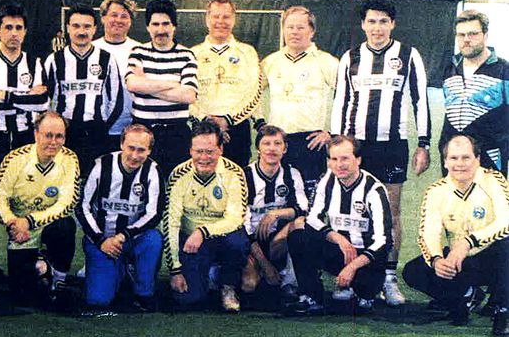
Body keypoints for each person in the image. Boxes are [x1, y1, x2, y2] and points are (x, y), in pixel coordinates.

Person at [331, 0, 430, 305]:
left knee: (390, 210)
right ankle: (355, 277)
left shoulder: (408, 55)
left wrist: (423, 143)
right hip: (357, 146)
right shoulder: (350, 57)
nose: (377, 27)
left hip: (392, 145)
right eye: (371, 21)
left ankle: (388, 277)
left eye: (383, 21)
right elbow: (341, 101)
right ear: (363, 25)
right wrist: (337, 143)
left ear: (392, 24)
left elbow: (420, 100)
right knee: (352, 210)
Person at [403, 134, 509, 337]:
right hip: (460, 262)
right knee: (413, 271)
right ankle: (465, 296)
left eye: (466, 157)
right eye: (453, 158)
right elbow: (429, 232)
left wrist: (468, 243)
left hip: (491, 257)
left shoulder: (493, 180)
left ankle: (503, 311)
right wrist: (436, 259)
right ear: (445, 162)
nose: (460, 164)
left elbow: (506, 221)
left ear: (477, 159)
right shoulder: (436, 191)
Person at [0, 4, 48, 281]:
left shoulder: (35, 63)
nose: (13, 33)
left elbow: (42, 102)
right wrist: (25, 96)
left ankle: (25, 263)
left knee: (25, 200)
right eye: (8, 28)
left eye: (18, 28)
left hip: (25, 140)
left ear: (25, 32)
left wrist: (7, 95)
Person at [284, 136, 392, 315]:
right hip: (340, 250)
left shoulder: (374, 190)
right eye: (334, 159)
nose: (339, 165)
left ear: (358, 160)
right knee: (298, 236)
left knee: (365, 293)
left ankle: (365, 294)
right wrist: (339, 239)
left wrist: (352, 267)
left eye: (345, 158)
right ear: (328, 162)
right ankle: (312, 296)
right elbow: (312, 218)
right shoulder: (327, 181)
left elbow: (384, 240)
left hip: (365, 258)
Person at [0, 112, 80, 307]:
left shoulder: (69, 159)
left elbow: (67, 203)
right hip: (21, 232)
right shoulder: (15, 158)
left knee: (65, 225)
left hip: (48, 225)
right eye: (48, 135)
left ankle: (58, 278)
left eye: (59, 136)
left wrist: (30, 221)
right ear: (36, 134)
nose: (54, 142)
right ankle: (42, 266)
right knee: (23, 296)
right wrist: (12, 223)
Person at [162, 119, 249, 312]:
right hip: (191, 242)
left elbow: (236, 218)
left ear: (221, 149)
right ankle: (209, 273)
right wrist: (175, 270)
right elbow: (171, 223)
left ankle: (228, 286)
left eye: (210, 151)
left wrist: (203, 231)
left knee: (238, 242)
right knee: (189, 299)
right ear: (190, 150)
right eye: (198, 151)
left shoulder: (234, 173)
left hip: (223, 236)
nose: (203, 158)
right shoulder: (179, 175)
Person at [76, 124, 163, 314]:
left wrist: (123, 236)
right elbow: (82, 207)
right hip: (101, 240)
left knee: (153, 239)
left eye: (141, 150)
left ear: (149, 150)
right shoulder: (101, 165)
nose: (134, 155)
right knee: (98, 300)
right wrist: (100, 240)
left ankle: (142, 290)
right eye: (131, 148)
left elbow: (154, 214)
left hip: (131, 239)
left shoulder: (152, 170)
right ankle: (118, 269)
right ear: (122, 144)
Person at [259, 6, 338, 200]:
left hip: (311, 143)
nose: (294, 32)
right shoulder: (271, 62)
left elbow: (348, 96)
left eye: (301, 27)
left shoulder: (326, 62)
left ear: (312, 31)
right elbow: (250, 93)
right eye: (290, 27)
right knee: (280, 199)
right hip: (279, 142)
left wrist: (332, 131)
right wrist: (259, 122)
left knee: (312, 201)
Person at [45, 4, 123, 174]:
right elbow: (46, 100)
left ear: (95, 29)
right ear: (68, 28)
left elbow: (117, 99)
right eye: (76, 26)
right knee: (64, 177)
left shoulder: (106, 58)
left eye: (87, 26)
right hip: (65, 132)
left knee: (95, 178)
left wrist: (103, 126)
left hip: (96, 131)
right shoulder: (54, 60)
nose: (81, 31)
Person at [125, 0, 198, 179]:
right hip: (143, 132)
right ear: (148, 27)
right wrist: (173, 84)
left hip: (176, 134)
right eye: (155, 24)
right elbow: (133, 84)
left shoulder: (187, 55)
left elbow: (189, 95)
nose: (160, 30)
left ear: (174, 26)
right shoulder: (138, 52)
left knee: (174, 182)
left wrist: (146, 84)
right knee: (142, 182)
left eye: (166, 24)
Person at [189, 0, 263, 168]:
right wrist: (205, 120)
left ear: (234, 19)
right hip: (201, 129)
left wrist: (228, 120)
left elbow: (255, 92)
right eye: (216, 16)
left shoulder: (247, 52)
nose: (220, 22)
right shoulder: (192, 54)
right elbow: (187, 95)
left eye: (226, 17)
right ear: (207, 19)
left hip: (237, 129)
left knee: (237, 179)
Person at [241, 125, 308, 301]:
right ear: (258, 148)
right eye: (266, 143)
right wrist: (265, 265)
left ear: (285, 149)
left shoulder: (292, 174)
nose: (272, 149)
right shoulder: (244, 176)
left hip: (277, 241)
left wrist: (275, 214)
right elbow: (241, 226)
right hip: (251, 242)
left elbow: (303, 208)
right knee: (248, 286)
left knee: (300, 223)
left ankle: (289, 281)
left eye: (277, 143)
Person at [440, 10, 508, 176]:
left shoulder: (504, 70)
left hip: (490, 159)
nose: (466, 39)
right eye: (461, 35)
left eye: (472, 34)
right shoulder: (450, 69)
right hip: (453, 160)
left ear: (485, 35)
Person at [93, 0, 139, 152]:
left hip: (131, 130)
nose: (118, 20)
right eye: (114, 15)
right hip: (97, 130)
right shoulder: (91, 49)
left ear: (130, 21)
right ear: (103, 18)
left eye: (124, 16)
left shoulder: (139, 50)